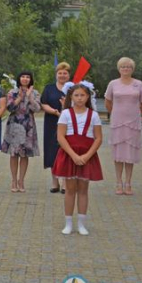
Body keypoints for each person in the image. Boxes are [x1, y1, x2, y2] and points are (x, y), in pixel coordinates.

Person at [52, 82, 103, 235]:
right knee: (70, 189)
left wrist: (87, 156)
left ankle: (81, 224)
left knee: (83, 190)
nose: (80, 98)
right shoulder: (66, 114)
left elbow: (98, 138)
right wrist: (73, 155)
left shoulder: (94, 115)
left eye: (82, 95)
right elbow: (61, 137)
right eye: (76, 95)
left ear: (88, 97)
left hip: (87, 155)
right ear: (71, 97)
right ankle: (68, 223)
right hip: (69, 154)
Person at [104, 57, 142, 195]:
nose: (125, 69)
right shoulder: (113, 84)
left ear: (132, 69)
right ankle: (118, 183)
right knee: (118, 154)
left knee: (130, 153)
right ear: (119, 68)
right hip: (117, 123)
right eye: (123, 66)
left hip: (133, 124)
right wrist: (116, 113)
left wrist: (134, 114)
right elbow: (108, 102)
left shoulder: (139, 84)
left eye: (128, 66)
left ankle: (128, 183)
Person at [1, 72, 40, 193]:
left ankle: (21, 181)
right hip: (14, 124)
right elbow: (10, 108)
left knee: (24, 154)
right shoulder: (12, 92)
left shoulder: (35, 93)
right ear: (19, 79)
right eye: (23, 76)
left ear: (31, 79)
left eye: (28, 77)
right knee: (14, 154)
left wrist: (30, 97)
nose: (25, 79)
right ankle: (13, 180)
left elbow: (37, 109)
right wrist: (20, 97)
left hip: (28, 126)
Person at [41, 62, 71, 193]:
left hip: (69, 125)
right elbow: (43, 104)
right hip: (52, 123)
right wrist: (55, 112)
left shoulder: (73, 89)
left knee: (65, 152)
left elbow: (80, 104)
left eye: (65, 73)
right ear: (56, 74)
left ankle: (65, 182)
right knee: (52, 152)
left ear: (69, 75)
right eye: (60, 73)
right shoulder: (49, 88)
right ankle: (54, 182)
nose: (62, 75)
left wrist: (65, 109)